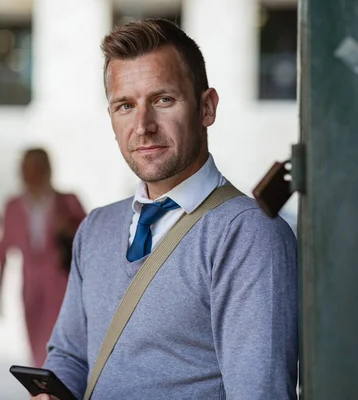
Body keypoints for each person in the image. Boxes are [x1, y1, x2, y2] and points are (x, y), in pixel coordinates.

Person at [32, 19, 298, 400]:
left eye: (163, 100)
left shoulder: (248, 235)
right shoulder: (97, 227)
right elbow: (70, 356)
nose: (143, 126)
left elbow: (260, 394)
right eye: (125, 105)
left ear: (206, 108)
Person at [0, 148, 86, 367]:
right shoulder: (14, 206)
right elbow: (2, 251)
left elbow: (90, 240)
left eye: (37, 166)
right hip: (31, 283)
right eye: (27, 167)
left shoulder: (68, 201)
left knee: (62, 338)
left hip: (62, 282)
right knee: (35, 339)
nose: (31, 173)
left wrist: (69, 228)